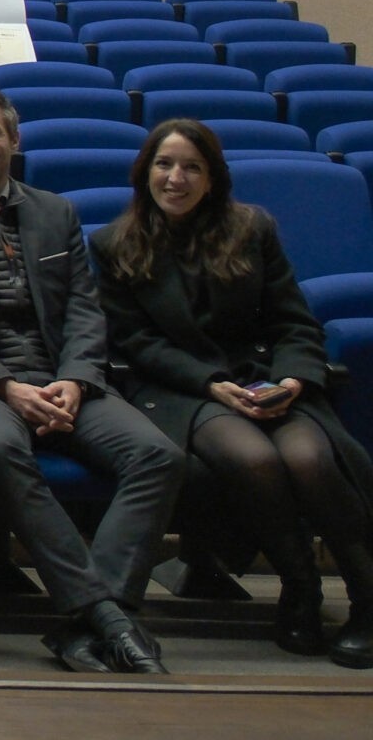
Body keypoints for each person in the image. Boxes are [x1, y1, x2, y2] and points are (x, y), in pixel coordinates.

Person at [0, 85, 181, 673]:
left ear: (14, 140)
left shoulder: (57, 212)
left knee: (157, 455)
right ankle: (108, 619)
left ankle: (97, 614)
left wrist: (75, 379)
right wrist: (5, 385)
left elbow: (83, 311)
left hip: (59, 376)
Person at [95, 119, 373, 669]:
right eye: (164, 164)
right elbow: (135, 341)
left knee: (309, 456)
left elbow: (294, 322)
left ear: (212, 177)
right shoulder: (114, 243)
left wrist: (294, 378)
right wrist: (209, 384)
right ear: (145, 171)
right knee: (253, 458)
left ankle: (366, 597)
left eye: (192, 167)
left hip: (262, 377)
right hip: (179, 388)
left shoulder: (251, 228)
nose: (176, 178)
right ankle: (301, 587)